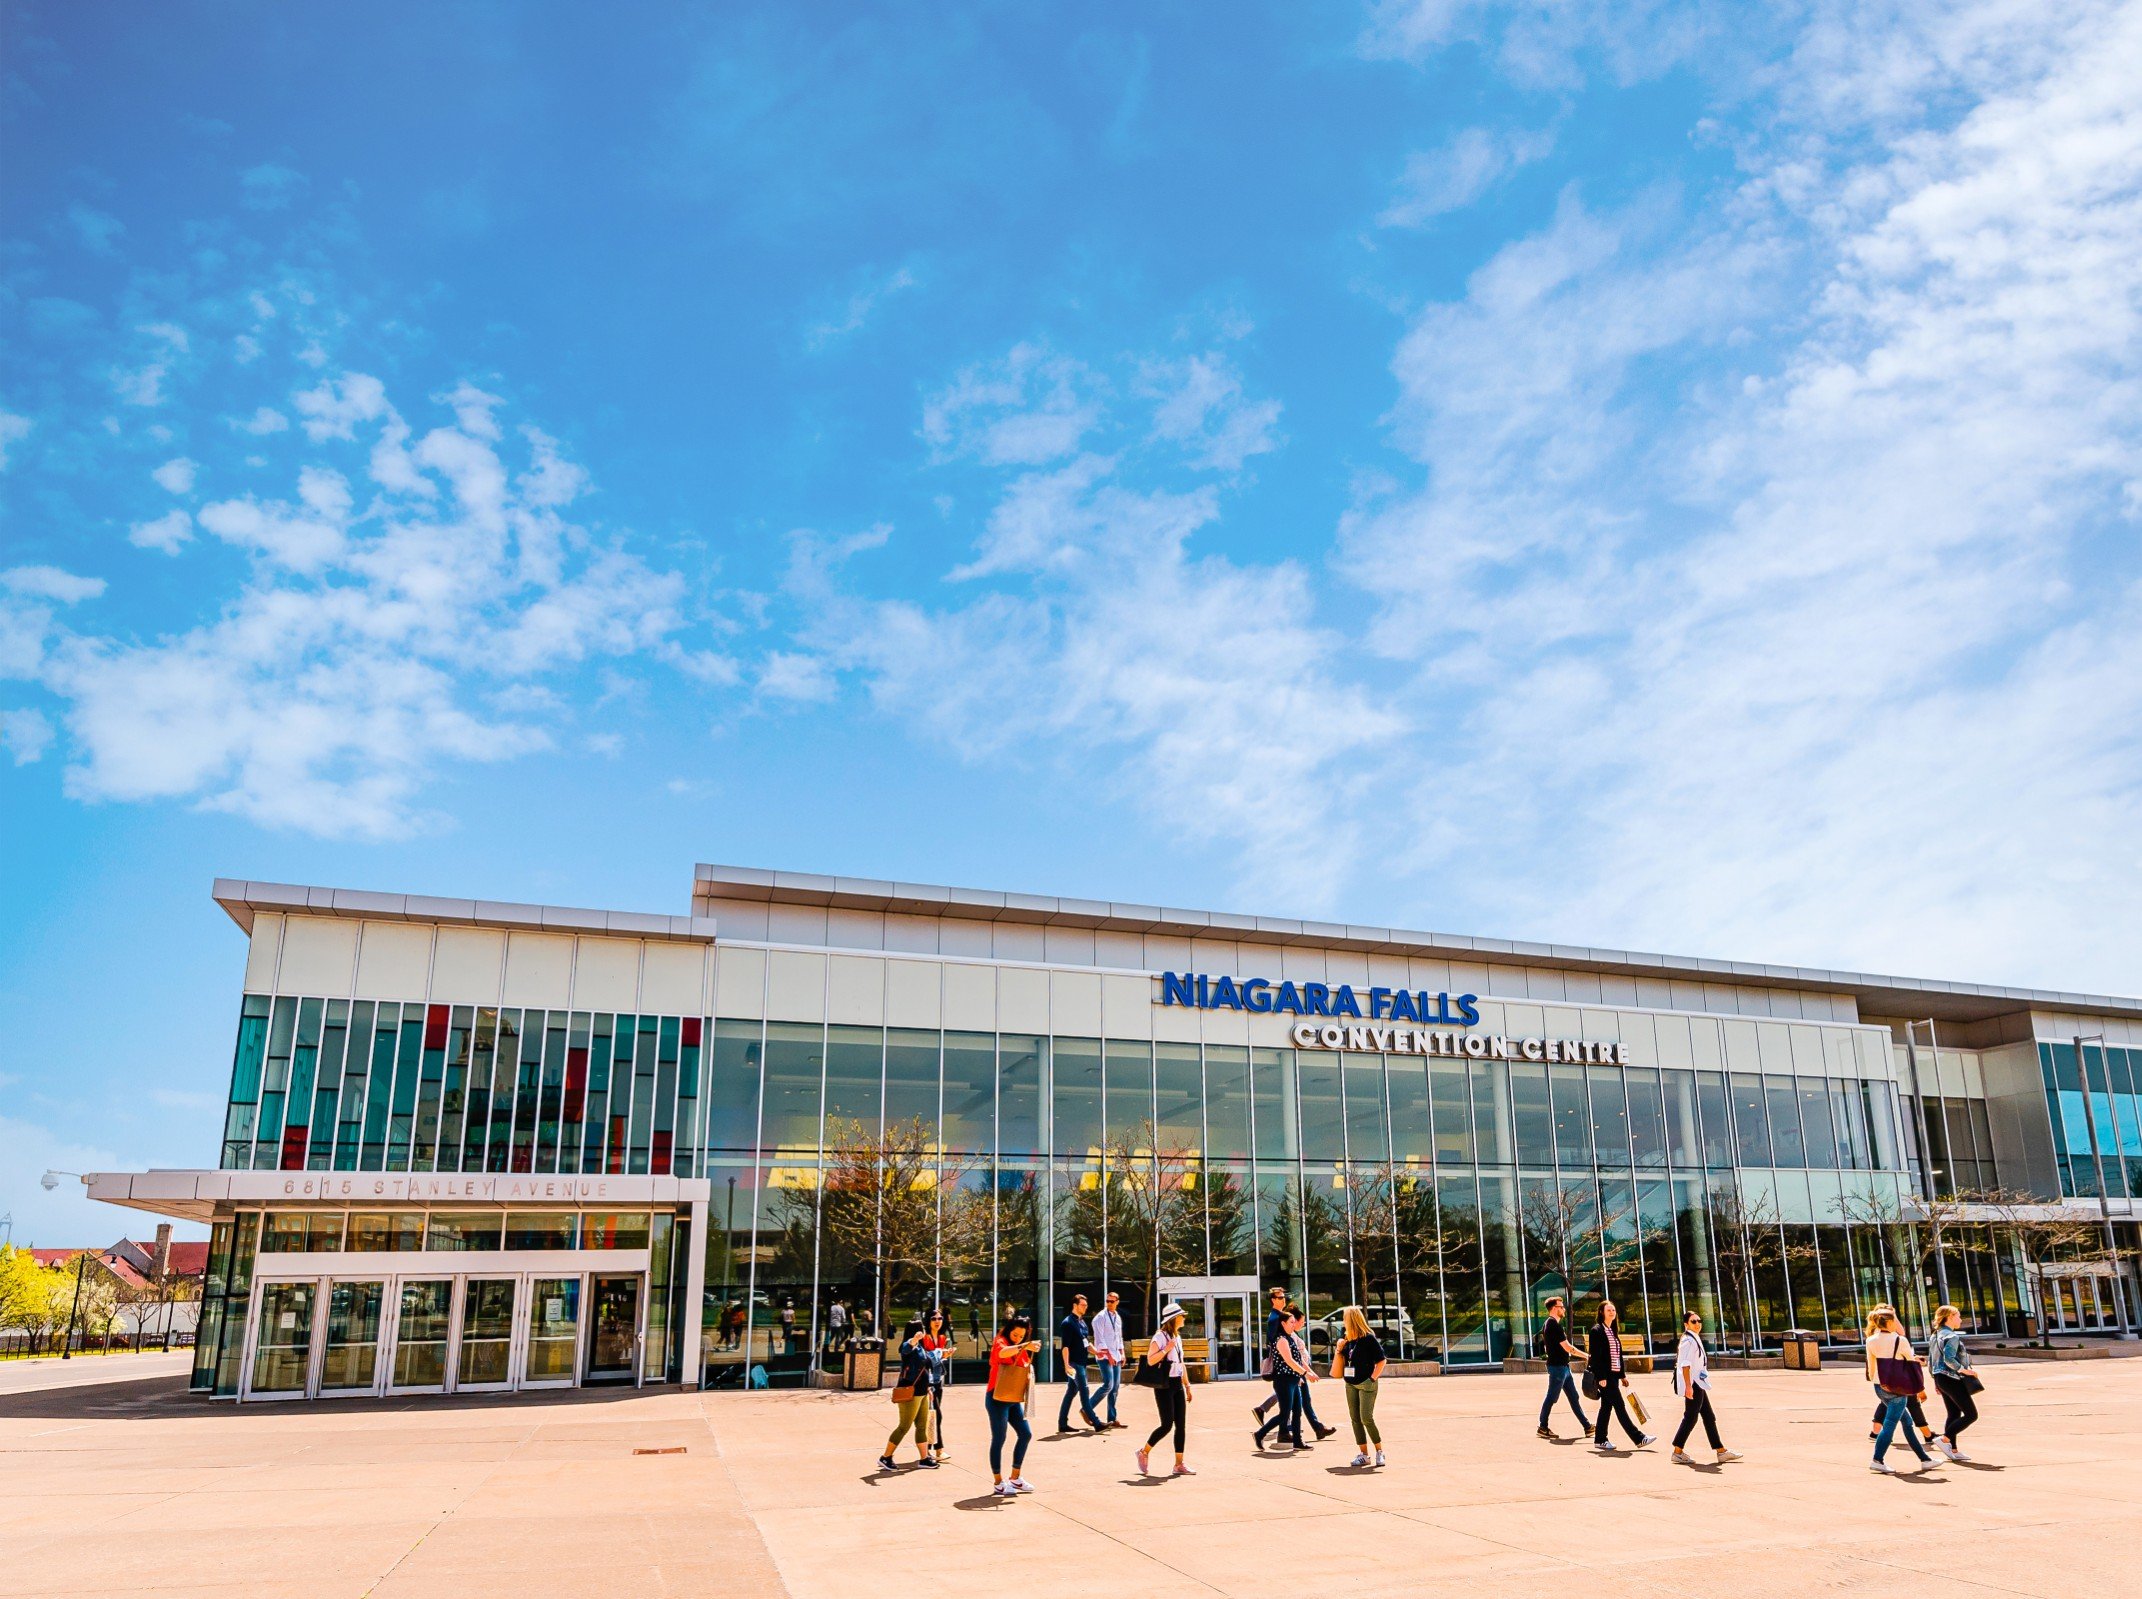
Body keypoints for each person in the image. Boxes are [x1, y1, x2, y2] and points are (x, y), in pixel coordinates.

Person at [1865, 1307, 1937, 1474]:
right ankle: (1877, 1460)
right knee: (1890, 1424)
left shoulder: (1871, 1340)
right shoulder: (1900, 1340)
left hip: (1880, 1385)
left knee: (1907, 1423)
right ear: (1890, 1322)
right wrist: (1919, 1365)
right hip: (1897, 1387)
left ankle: (1925, 1459)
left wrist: (1875, 1379)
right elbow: (1909, 1362)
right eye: (1895, 1321)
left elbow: (1871, 1365)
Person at [1668, 1310, 1741, 1465]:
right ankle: (1677, 1452)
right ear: (1686, 1324)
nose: (1698, 1324)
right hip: (1693, 1384)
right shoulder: (1688, 1340)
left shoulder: (1694, 1338)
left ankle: (1720, 1450)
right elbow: (1685, 1365)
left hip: (1698, 1383)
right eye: (1693, 1321)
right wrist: (1688, 1386)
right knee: (1691, 1417)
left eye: (1699, 1321)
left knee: (1708, 1416)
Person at [1585, 1300, 1656, 1452]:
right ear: (1601, 1312)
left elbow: (1617, 1355)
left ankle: (1600, 1439)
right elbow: (1596, 1356)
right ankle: (1638, 1438)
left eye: (1613, 1310)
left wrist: (1622, 1375)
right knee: (1620, 1406)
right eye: (1609, 1310)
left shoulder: (1612, 1330)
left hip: (1613, 1376)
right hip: (1605, 1377)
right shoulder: (1597, 1330)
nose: (1612, 1312)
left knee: (1606, 1407)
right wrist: (1601, 1377)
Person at [1136, 1301, 1195, 1476]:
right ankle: (1144, 1451)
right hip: (1164, 1385)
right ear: (1174, 1318)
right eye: (1182, 1316)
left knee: (1181, 1426)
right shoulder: (1159, 1337)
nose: (1184, 1318)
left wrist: (1187, 1385)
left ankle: (1179, 1464)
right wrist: (1166, 1350)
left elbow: (1181, 1363)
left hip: (1177, 1384)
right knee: (1166, 1425)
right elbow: (1150, 1360)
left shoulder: (1178, 1337)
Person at [877, 1319, 942, 1471]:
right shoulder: (909, 1346)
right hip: (910, 1393)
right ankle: (885, 1457)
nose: (923, 1331)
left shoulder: (921, 1348)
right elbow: (905, 1349)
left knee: (921, 1426)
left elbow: (924, 1369)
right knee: (904, 1426)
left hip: (922, 1392)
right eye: (921, 1329)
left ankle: (924, 1459)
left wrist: (928, 1388)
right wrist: (914, 1339)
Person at [986, 1313, 1038, 1496]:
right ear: (1009, 1330)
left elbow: (1023, 1367)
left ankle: (1015, 1478)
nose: (1018, 1338)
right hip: (997, 1397)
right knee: (999, 1438)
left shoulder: (1021, 1347)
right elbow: (1002, 1353)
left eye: (1022, 1336)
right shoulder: (1000, 1341)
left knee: (1026, 1434)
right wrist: (1024, 1345)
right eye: (1015, 1334)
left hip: (1013, 1398)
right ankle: (998, 1482)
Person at [1334, 1305, 1387, 1468]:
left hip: (1366, 1383)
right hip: (1350, 1384)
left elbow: (1382, 1360)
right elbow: (1341, 1363)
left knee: (1366, 1418)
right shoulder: (1347, 1340)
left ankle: (1379, 1451)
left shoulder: (1368, 1338)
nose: (1343, 1321)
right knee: (1355, 1419)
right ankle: (1364, 1454)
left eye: (1345, 1318)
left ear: (1352, 1320)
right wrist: (1339, 1349)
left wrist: (1372, 1378)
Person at [1253, 1308, 1314, 1450]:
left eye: (1294, 1322)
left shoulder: (1290, 1338)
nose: (1294, 1324)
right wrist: (1306, 1373)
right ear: (1283, 1323)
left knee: (1297, 1412)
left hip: (1293, 1380)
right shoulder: (1281, 1340)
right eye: (1291, 1322)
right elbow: (1289, 1361)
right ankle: (1259, 1434)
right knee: (1284, 1414)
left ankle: (1297, 1442)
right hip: (1283, 1381)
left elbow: (1298, 1359)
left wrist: (1304, 1374)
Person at [1928, 1304, 1982, 1462]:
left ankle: (1953, 1450)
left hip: (1941, 1378)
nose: (1960, 1319)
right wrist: (1963, 1370)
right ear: (1949, 1317)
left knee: (1953, 1414)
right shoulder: (1951, 1336)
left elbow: (1931, 1362)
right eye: (1958, 1316)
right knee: (1971, 1414)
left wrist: (1936, 1381)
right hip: (1952, 1378)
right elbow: (1948, 1359)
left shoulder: (1935, 1335)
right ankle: (1944, 1439)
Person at [1535, 1295, 1591, 1440]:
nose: (1564, 1309)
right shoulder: (1553, 1325)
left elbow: (1549, 1347)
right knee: (1551, 1397)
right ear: (1554, 1308)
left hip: (1563, 1367)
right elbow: (1568, 1347)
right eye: (1561, 1307)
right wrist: (1587, 1356)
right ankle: (1542, 1427)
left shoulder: (1549, 1324)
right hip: (1558, 1368)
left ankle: (1587, 1427)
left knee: (1574, 1397)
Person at [1056, 1293, 1104, 1433]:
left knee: (1071, 1392)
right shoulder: (1068, 1323)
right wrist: (1067, 1365)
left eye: (1086, 1305)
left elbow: (1086, 1342)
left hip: (1082, 1362)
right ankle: (1097, 1423)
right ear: (1075, 1305)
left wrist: (1097, 1352)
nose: (1085, 1307)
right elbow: (1065, 1347)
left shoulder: (1082, 1322)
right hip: (1074, 1364)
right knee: (1084, 1391)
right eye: (1082, 1305)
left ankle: (1062, 1424)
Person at [919, 1305, 954, 1462]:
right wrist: (940, 1353)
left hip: (937, 1379)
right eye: (933, 1318)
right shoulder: (924, 1337)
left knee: (933, 1415)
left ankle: (930, 1450)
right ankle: (937, 1450)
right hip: (926, 1381)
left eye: (940, 1318)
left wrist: (946, 1354)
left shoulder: (941, 1338)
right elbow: (924, 1358)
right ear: (928, 1320)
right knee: (935, 1415)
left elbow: (937, 1358)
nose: (937, 1321)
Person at [1092, 1290, 1126, 1429]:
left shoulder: (1117, 1317)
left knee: (1115, 1388)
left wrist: (1122, 1353)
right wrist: (1109, 1356)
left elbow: (1119, 1337)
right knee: (1108, 1385)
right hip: (1105, 1356)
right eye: (1107, 1301)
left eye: (1112, 1301)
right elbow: (1099, 1339)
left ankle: (1112, 1418)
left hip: (1116, 1356)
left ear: (1117, 1302)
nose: (1109, 1303)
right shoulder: (1100, 1318)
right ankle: (1087, 1409)